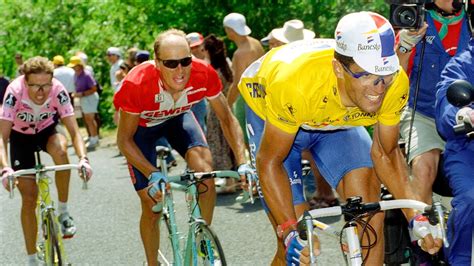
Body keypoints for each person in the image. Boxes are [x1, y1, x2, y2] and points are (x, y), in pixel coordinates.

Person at [238, 12, 443, 265]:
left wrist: (416, 218)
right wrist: (289, 230)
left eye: (384, 75)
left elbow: (386, 154)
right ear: (338, 67)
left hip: (336, 116)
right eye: (366, 74)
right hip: (279, 113)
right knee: (301, 248)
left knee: (370, 214)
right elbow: (270, 162)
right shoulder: (296, 84)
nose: (378, 88)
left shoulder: (394, 82)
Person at [113, 29, 249, 265]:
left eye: (185, 61)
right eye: (171, 63)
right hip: (142, 131)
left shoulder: (203, 73)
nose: (180, 70)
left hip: (177, 119)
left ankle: (202, 239)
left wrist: (243, 161)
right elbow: (123, 140)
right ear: (157, 63)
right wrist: (152, 173)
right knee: (152, 205)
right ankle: (151, 262)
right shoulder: (137, 82)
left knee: (205, 173)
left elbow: (227, 119)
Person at [0, 56, 92, 266]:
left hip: (46, 131)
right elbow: (2, 137)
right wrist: (5, 169)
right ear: (25, 81)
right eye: (35, 86)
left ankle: (63, 212)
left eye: (45, 85)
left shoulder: (57, 90)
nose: (41, 92)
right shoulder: (14, 92)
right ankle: (32, 259)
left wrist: (84, 159)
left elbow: (75, 132)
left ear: (52, 81)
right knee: (29, 198)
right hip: (20, 137)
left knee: (61, 150)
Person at [398, 0, 471, 204]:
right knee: (423, 168)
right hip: (424, 115)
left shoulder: (470, 21)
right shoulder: (414, 22)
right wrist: (404, 46)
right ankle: (425, 232)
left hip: (468, 114)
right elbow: (397, 80)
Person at [435, 37, 474, 266]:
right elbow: (446, 108)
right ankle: (459, 260)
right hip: (467, 149)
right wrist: (462, 115)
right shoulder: (463, 63)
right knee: (471, 199)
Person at [201, 34, 237, 193]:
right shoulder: (227, 67)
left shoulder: (213, 71)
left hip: (216, 111)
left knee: (220, 143)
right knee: (229, 142)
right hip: (229, 108)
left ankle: (229, 181)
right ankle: (233, 178)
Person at [68, 56, 100, 150]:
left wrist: (81, 94)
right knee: (87, 119)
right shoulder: (76, 74)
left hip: (90, 98)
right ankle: (92, 137)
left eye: (75, 66)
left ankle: (94, 138)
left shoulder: (86, 74)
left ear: (79, 65)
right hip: (83, 98)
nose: (73, 68)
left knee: (90, 119)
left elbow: (94, 89)